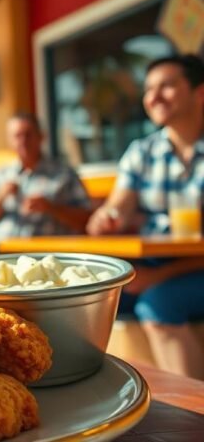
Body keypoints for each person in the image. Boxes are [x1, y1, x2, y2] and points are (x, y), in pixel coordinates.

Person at [87, 54, 204, 378]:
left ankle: (193, 416)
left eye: (166, 86)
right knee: (91, 303)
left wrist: (158, 277)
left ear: (200, 93)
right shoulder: (142, 151)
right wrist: (107, 218)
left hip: (191, 267)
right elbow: (118, 206)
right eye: (149, 88)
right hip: (155, 265)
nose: (153, 96)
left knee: (159, 303)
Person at [0, 113, 91, 252]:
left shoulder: (63, 174)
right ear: (10, 141)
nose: (23, 141)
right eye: (17, 136)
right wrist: (1, 196)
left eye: (28, 134)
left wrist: (50, 208)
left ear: (41, 137)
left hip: (44, 256)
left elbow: (86, 220)